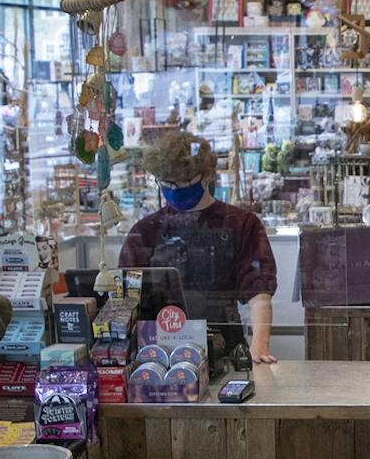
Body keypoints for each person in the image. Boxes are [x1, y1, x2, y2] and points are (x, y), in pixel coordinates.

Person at [117, 129, 278, 366]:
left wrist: (260, 343)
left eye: (184, 182)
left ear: (207, 175)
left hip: (224, 347)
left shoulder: (241, 223)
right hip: (156, 354)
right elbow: (125, 297)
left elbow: (258, 291)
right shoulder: (145, 231)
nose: (175, 189)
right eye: (167, 183)